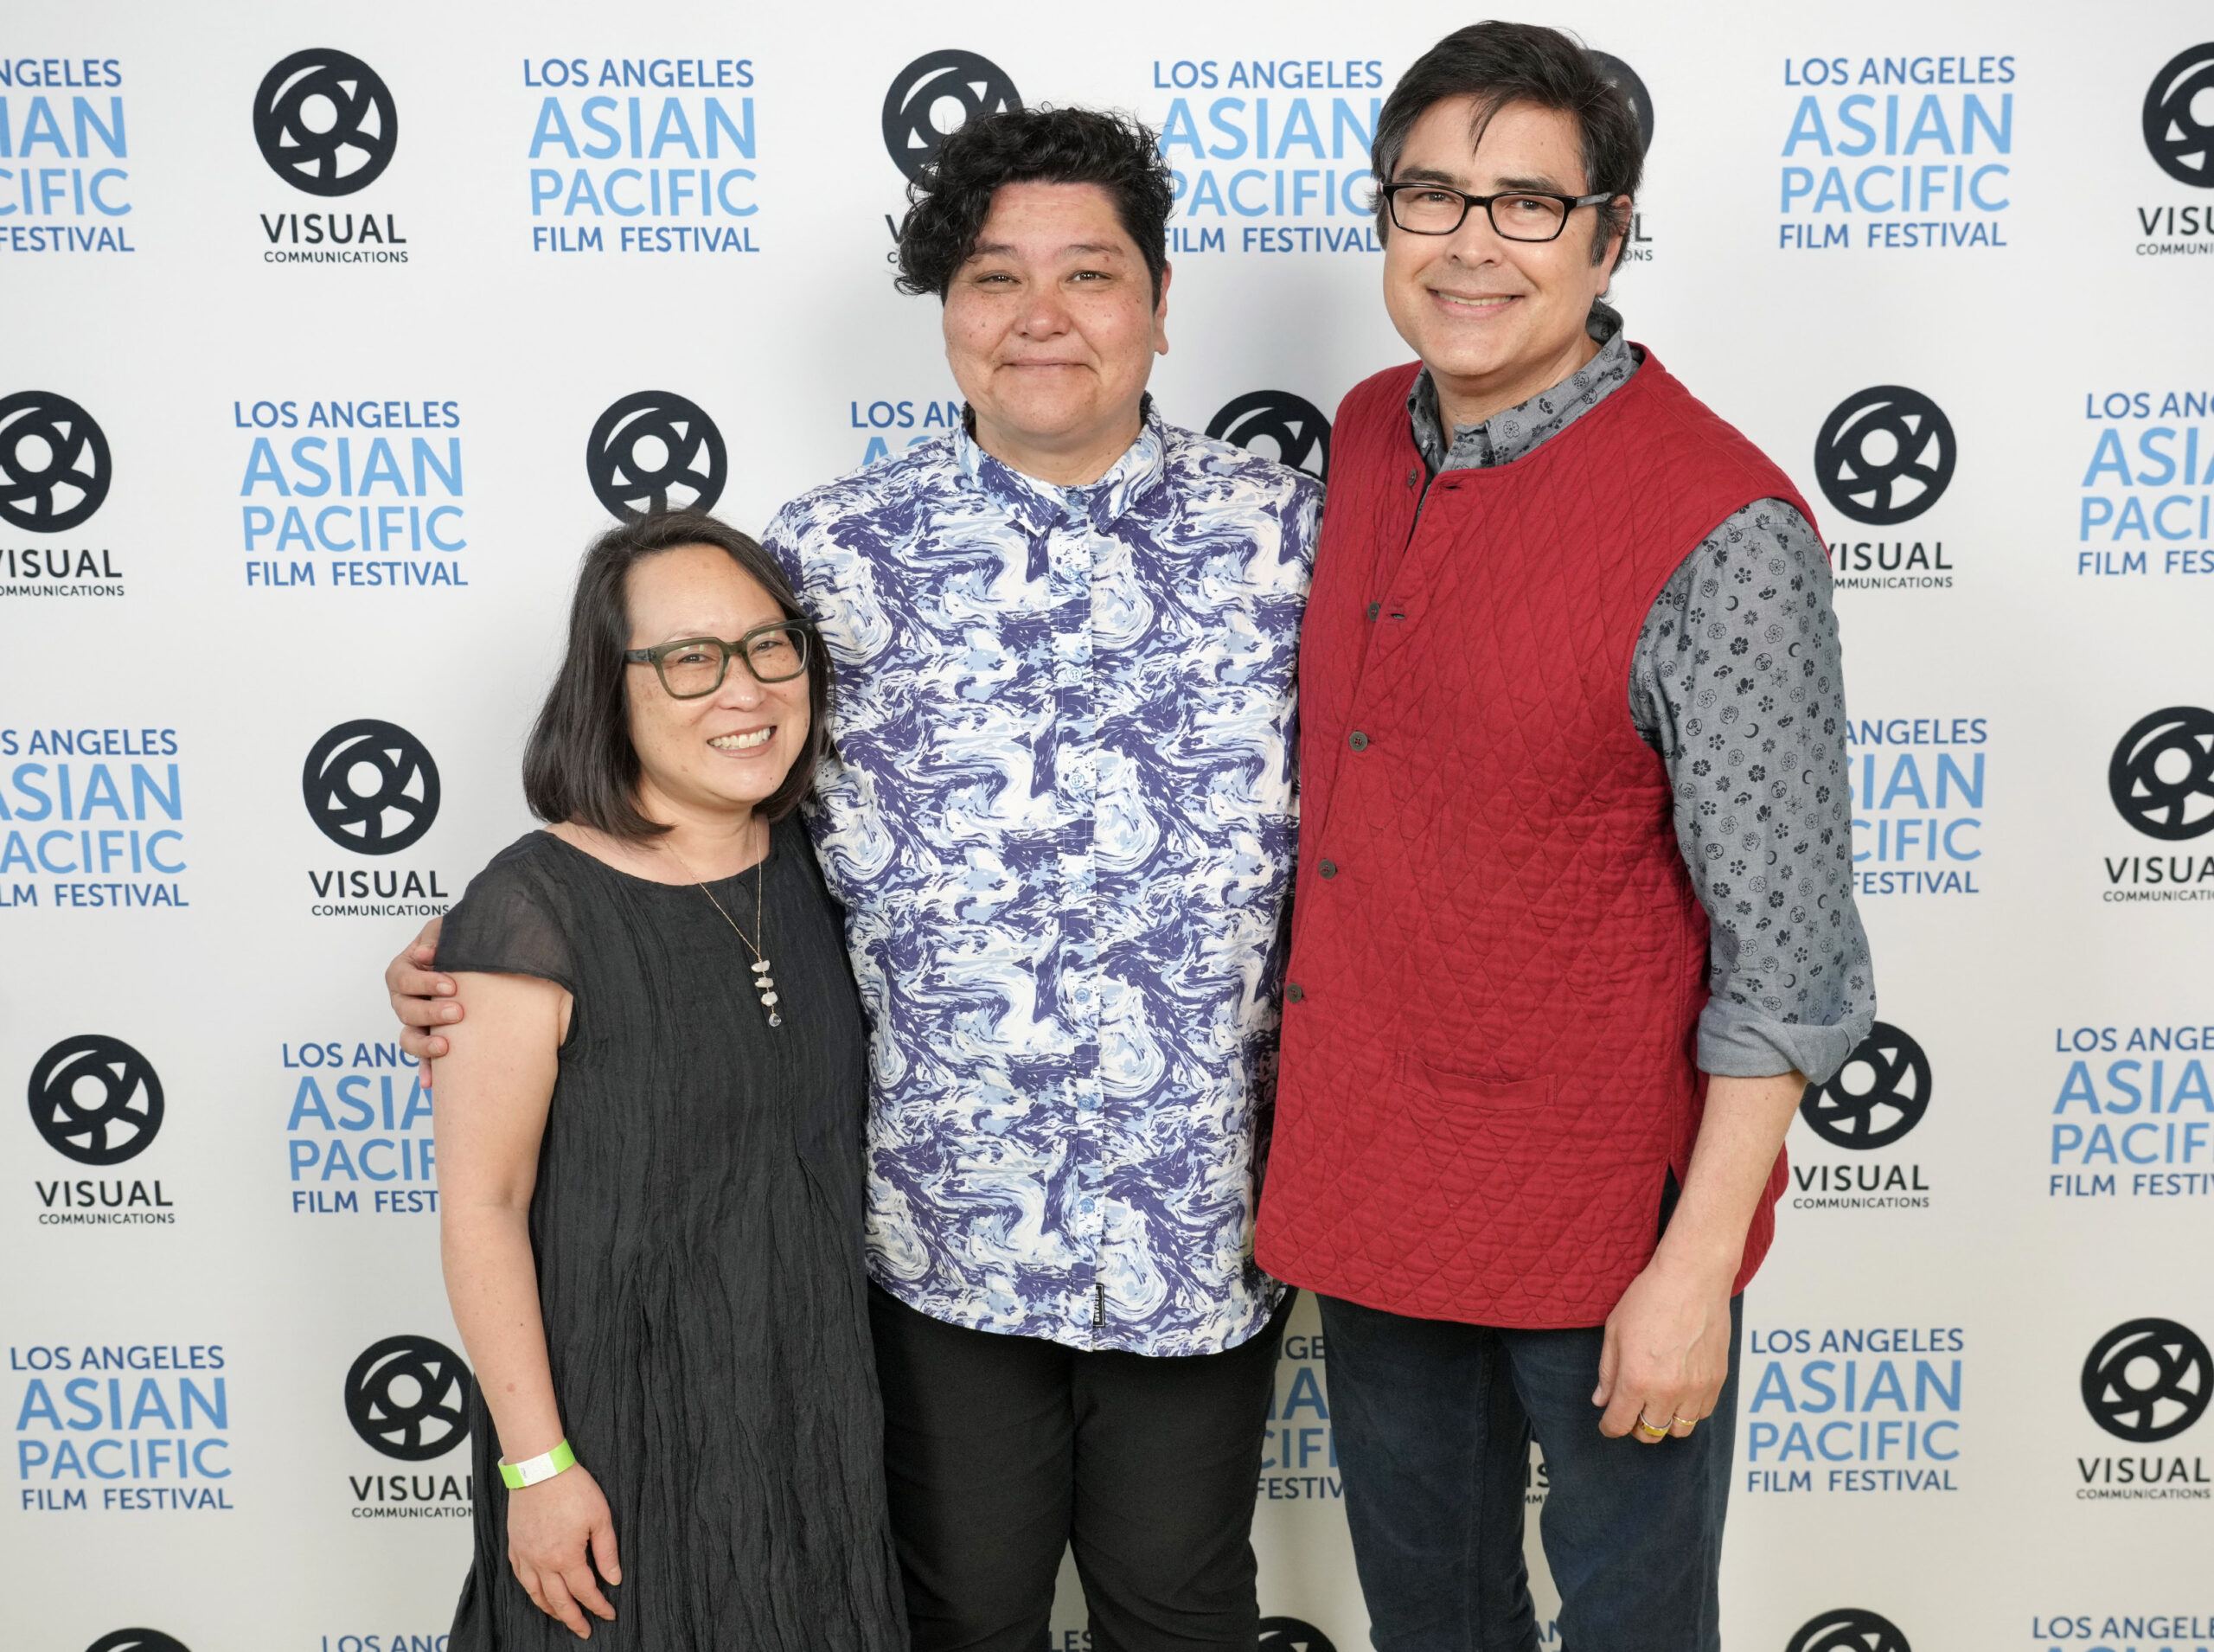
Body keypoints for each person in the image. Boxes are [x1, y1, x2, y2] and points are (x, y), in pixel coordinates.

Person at [390, 107, 1320, 1652]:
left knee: (1185, 1609)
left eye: (1090, 274)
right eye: (994, 276)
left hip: (1202, 1218)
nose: (1040, 315)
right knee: (954, 1617)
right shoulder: (831, 557)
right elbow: (700, 788)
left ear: (1162, 303)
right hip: (929, 1238)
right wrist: (503, 941)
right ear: (947, 312)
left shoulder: (1298, 541)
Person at [1254, 23, 1876, 1652]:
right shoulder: (1372, 425)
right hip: (1378, 1197)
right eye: (1431, 195)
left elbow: (1792, 967)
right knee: (1431, 1627)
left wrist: (1692, 1274)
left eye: (1528, 204)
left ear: (1609, 237)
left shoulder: (1724, 529)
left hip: (1606, 1233)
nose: (1471, 243)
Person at [427, 510, 904, 1649]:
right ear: (612, 688)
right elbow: (482, 1206)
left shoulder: (823, 866)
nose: (745, 689)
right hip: (614, 1446)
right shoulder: (530, 909)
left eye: (769, 645)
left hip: (813, 1430)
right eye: (690, 658)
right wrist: (539, 1468)